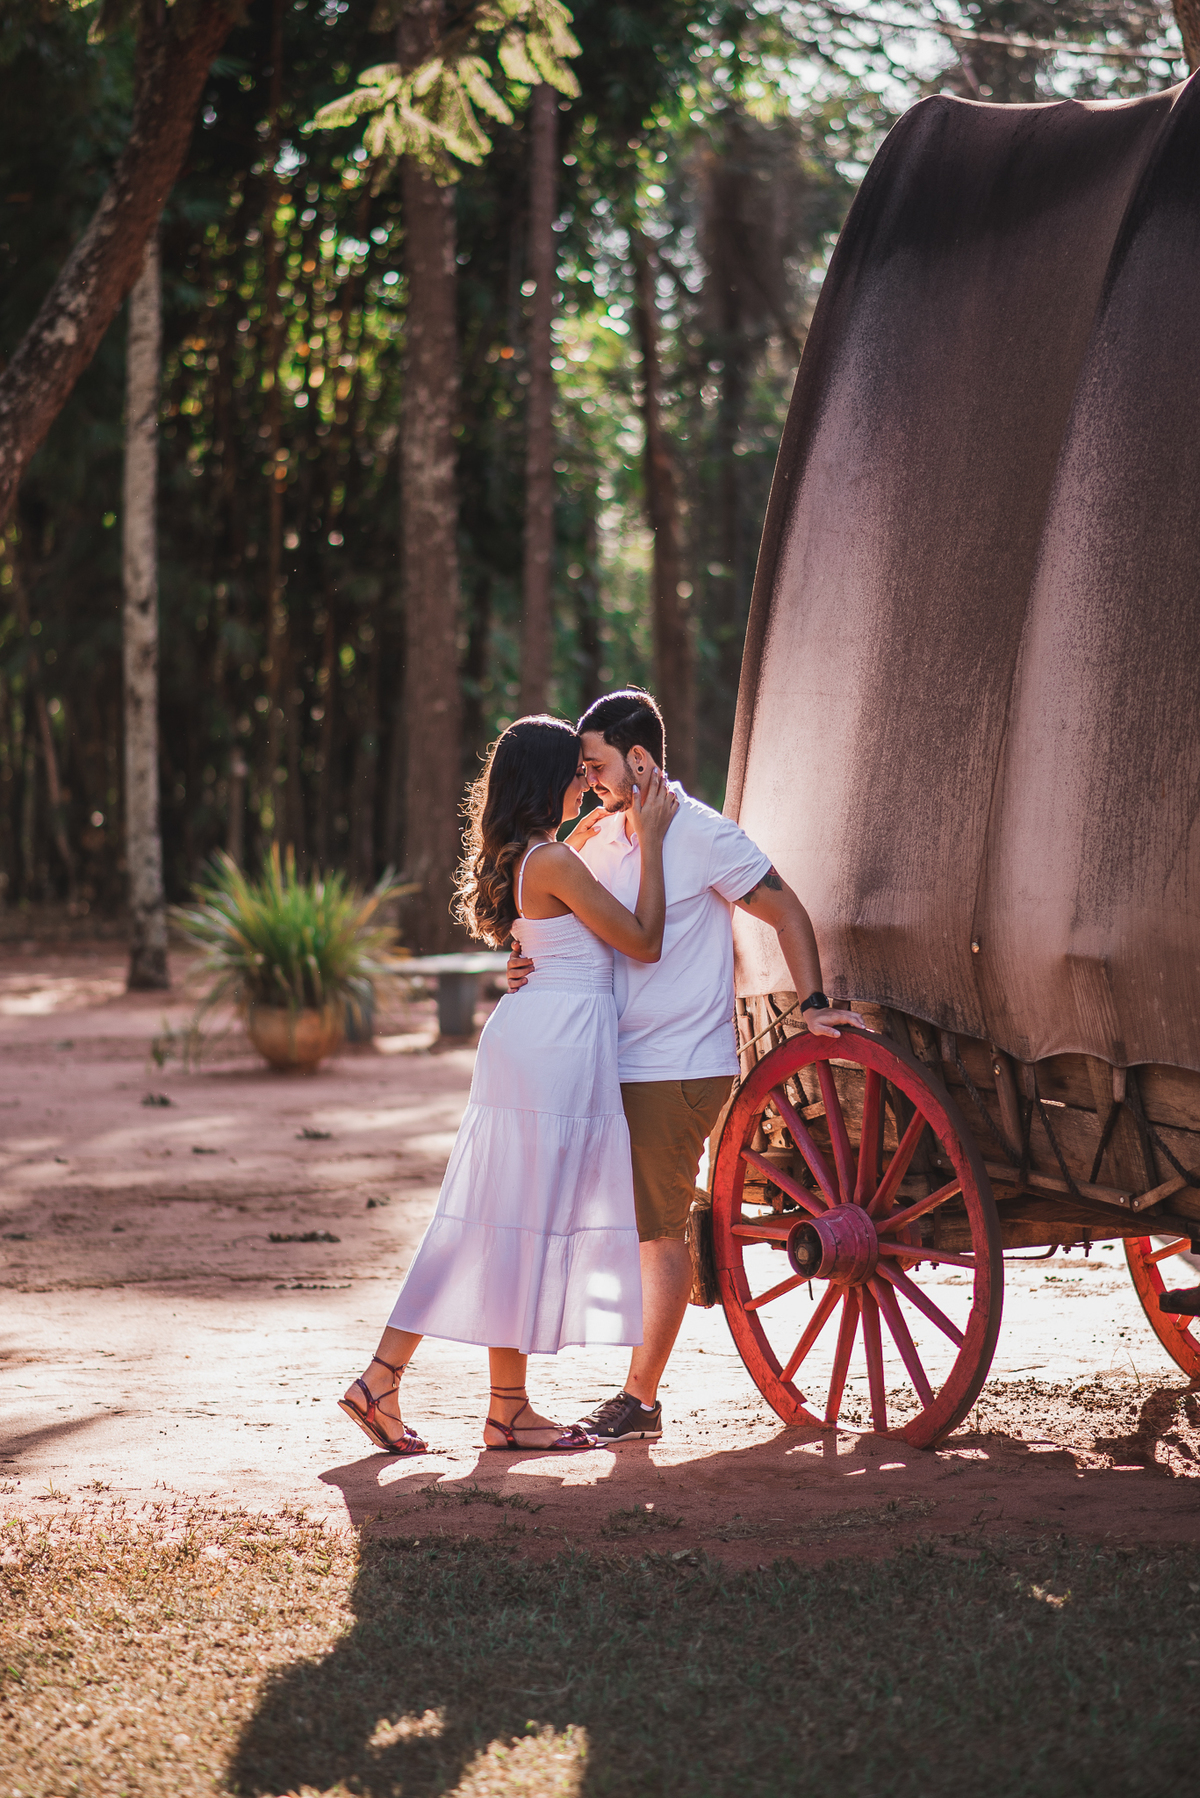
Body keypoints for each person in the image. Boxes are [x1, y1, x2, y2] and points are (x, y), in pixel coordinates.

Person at [508, 689, 862, 1444]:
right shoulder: (599, 836)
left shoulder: (703, 835)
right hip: (607, 1060)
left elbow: (787, 911)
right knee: (632, 1226)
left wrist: (816, 1004)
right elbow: (573, 927)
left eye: (597, 765)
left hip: (676, 1066)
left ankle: (639, 1401)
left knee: (657, 1230)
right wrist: (522, 963)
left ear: (640, 759)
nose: (589, 780)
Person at [339, 714, 678, 1455]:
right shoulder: (552, 860)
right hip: (552, 1049)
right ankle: (390, 1379)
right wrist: (650, 842)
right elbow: (645, 942)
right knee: (503, 1223)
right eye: (577, 770)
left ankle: (501, 1408)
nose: (587, 780)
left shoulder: (538, 856)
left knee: (503, 1224)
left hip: (540, 1037)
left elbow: (556, 937)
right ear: (548, 780)